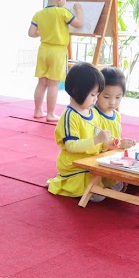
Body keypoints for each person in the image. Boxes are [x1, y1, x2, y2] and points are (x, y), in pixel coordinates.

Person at [47, 62, 119, 202]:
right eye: (92, 94)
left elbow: (98, 142)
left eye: (97, 94)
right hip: (75, 165)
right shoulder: (70, 116)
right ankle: (72, 185)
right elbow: (71, 146)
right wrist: (97, 140)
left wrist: (108, 144)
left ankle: (99, 185)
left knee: (114, 173)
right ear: (76, 91)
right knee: (97, 193)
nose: (96, 99)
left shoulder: (93, 112)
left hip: (92, 160)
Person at [29, 0, 83, 122]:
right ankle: (50, 114)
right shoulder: (63, 12)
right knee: (53, 84)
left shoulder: (39, 14)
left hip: (43, 50)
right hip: (58, 52)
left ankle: (38, 110)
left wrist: (45, 32)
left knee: (41, 83)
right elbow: (78, 24)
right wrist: (78, 10)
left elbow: (31, 33)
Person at [95, 67, 136, 151]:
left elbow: (116, 138)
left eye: (118, 97)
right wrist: (118, 144)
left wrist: (125, 143)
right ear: (96, 93)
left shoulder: (116, 115)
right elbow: (93, 144)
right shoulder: (92, 115)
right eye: (106, 97)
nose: (112, 102)